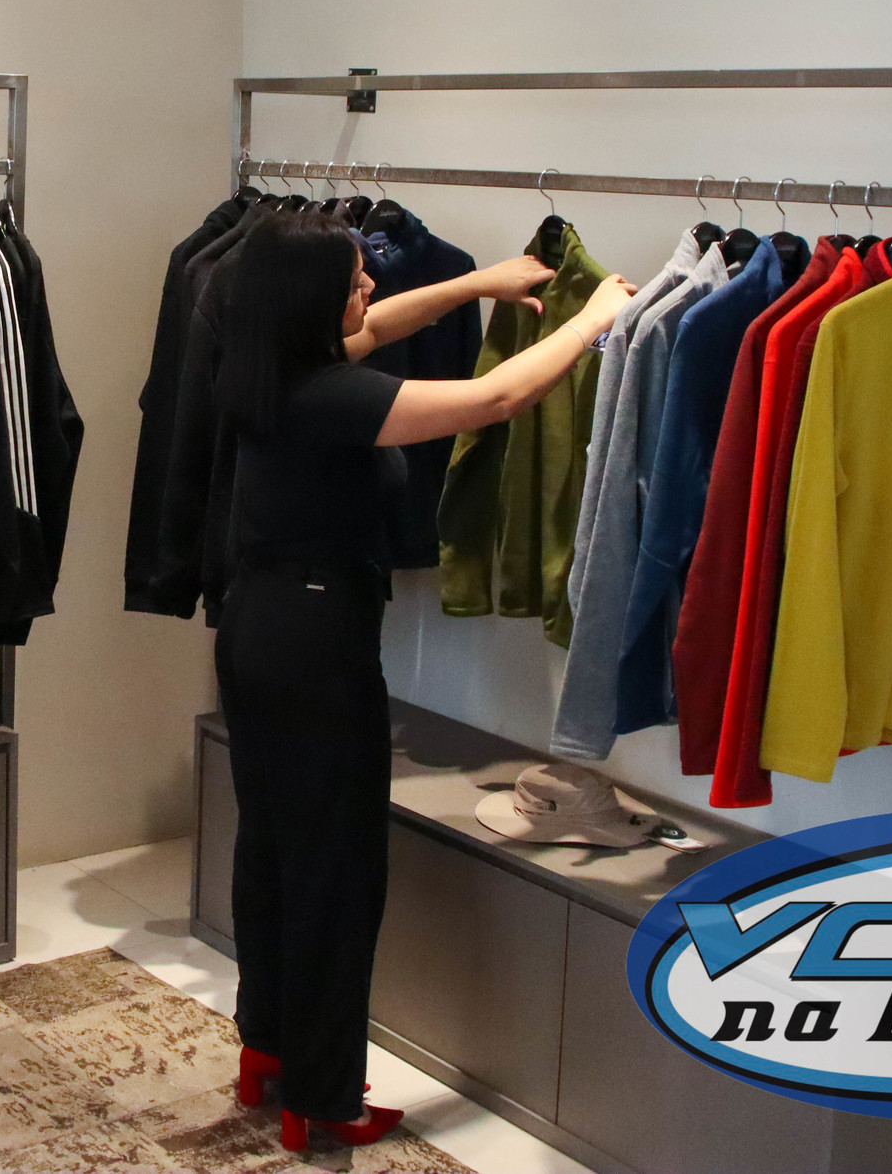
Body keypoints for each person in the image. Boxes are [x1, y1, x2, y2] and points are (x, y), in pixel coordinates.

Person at [213, 207, 634, 1153]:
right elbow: (494, 399)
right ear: (311, 301)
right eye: (354, 280)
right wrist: (591, 319)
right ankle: (321, 1098)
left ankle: (269, 1049)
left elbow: (378, 329)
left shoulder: (263, 367)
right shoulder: (330, 396)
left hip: (257, 629)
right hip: (317, 645)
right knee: (336, 870)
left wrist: (481, 284)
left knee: (273, 847)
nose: (370, 288)